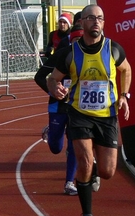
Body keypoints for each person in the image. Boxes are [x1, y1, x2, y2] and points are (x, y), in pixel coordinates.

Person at [47, 4, 132, 216]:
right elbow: (52, 79)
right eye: (91, 18)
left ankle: (96, 172)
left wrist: (124, 95)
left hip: (107, 116)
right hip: (79, 114)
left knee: (107, 171)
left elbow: (126, 69)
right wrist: (56, 89)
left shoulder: (114, 49)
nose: (96, 22)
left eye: (100, 18)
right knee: (83, 163)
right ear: (82, 23)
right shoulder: (69, 53)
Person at [35, 25, 94, 196]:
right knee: (55, 147)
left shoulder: (91, 56)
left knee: (75, 145)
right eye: (75, 40)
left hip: (78, 107)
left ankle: (69, 182)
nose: (79, 44)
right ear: (71, 40)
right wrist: (52, 91)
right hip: (58, 106)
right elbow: (38, 77)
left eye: (80, 40)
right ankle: (51, 130)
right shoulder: (61, 55)